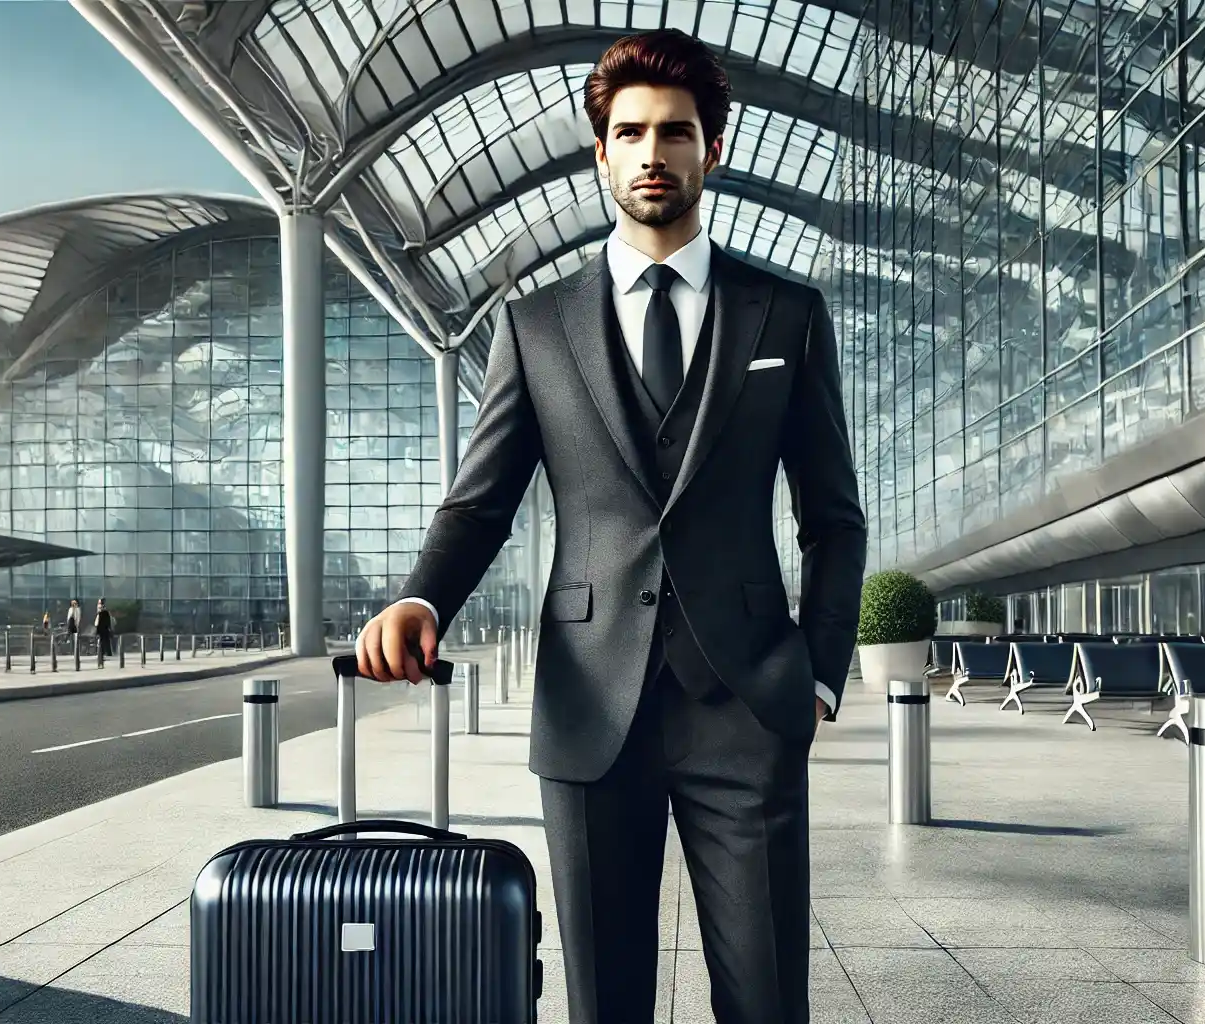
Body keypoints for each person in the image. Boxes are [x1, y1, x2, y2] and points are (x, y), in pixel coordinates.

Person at [352, 28, 865, 1024]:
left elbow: (832, 515)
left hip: (748, 703)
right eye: (628, 131)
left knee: (767, 1005)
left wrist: (817, 669)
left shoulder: (785, 314)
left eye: (675, 132)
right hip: (590, 705)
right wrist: (422, 595)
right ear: (600, 152)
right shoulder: (534, 326)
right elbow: (480, 497)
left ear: (711, 148)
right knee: (604, 1004)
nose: (651, 152)